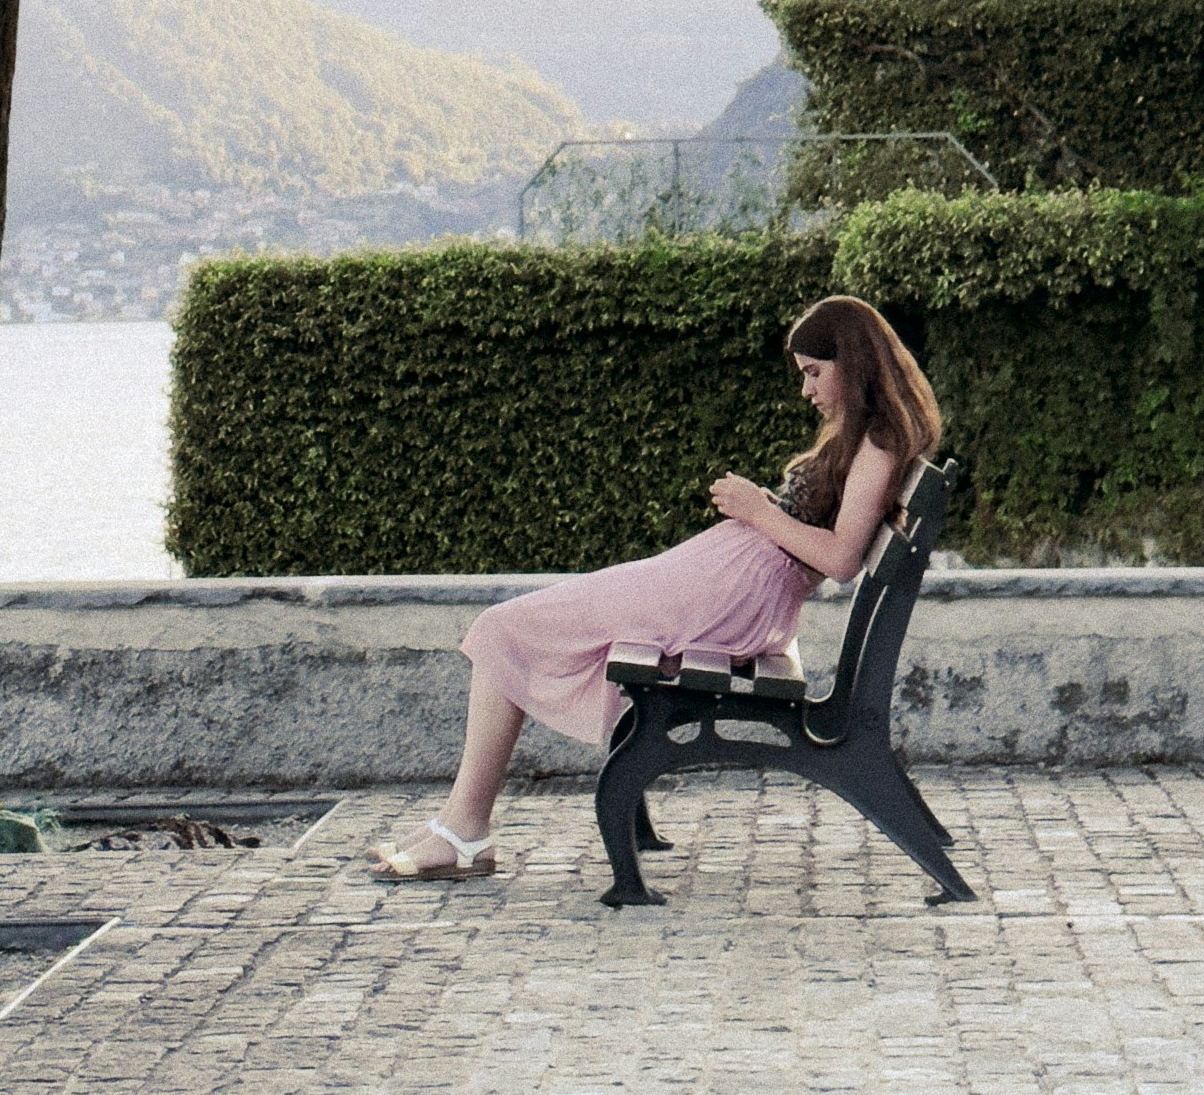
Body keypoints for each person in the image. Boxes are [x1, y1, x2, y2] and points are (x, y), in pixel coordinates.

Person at [363, 290, 943, 883]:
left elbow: (843, 560)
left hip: (733, 596)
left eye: (815, 373)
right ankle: (457, 823)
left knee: (502, 628)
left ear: (853, 361)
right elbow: (822, 535)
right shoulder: (866, 434)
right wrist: (764, 509)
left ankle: (463, 831)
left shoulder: (880, 440)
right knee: (513, 625)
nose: (807, 390)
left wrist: (758, 511)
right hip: (729, 582)